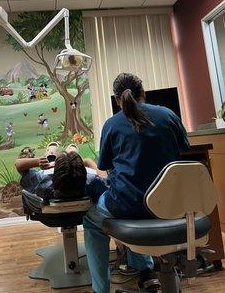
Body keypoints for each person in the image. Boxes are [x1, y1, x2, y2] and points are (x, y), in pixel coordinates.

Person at [83, 73, 190, 293]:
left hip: (128, 206)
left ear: (116, 100)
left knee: (92, 220)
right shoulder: (168, 115)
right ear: (144, 93)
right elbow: (183, 151)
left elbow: (104, 166)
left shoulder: (111, 124)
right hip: (170, 206)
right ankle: (146, 273)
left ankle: (100, 289)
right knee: (141, 202)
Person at [15, 144, 107, 202]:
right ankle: (71, 150)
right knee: (72, 151)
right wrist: (87, 161)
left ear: (54, 176)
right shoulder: (92, 182)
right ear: (84, 175)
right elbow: (105, 179)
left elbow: (18, 165)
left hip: (53, 219)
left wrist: (38, 161)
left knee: (52, 154)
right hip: (81, 214)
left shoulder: (43, 184)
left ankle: (51, 152)